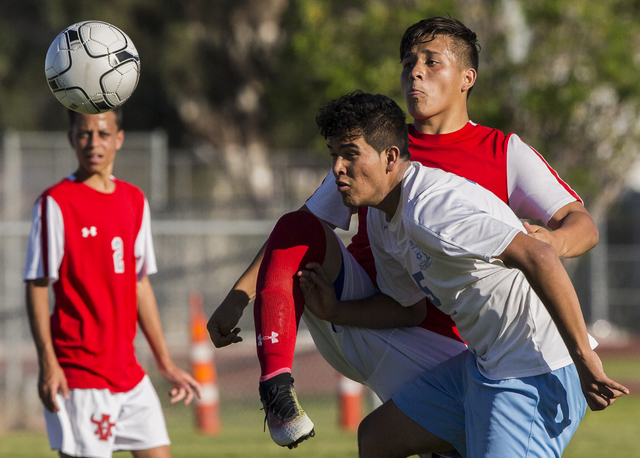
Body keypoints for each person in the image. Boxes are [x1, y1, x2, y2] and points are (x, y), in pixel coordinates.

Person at [207, 17, 599, 451]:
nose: (415, 71)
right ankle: (277, 389)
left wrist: (553, 243)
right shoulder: (371, 154)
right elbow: (296, 235)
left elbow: (580, 223)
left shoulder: (500, 153)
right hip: (376, 313)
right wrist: (238, 297)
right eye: (409, 62)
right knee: (301, 233)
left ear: (468, 78)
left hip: (463, 348)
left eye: (432, 62)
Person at [298, 90, 628, 457]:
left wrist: (584, 361)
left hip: (538, 369)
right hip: (483, 365)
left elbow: (540, 256)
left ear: (390, 158)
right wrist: (336, 313)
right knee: (378, 437)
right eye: (334, 155)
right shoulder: (380, 217)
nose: (337, 169)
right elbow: (409, 310)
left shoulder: (432, 210)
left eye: (350, 154)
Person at [24, 108, 201, 458]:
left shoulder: (134, 200)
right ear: (71, 138)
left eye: (103, 134)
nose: (93, 143)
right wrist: (48, 363)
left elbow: (140, 285)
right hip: (80, 375)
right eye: (84, 134)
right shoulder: (55, 203)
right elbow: (37, 285)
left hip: (129, 374)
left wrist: (165, 362)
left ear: (119, 139)